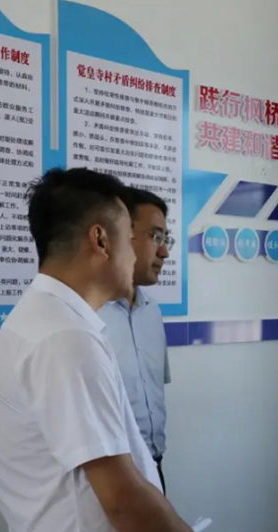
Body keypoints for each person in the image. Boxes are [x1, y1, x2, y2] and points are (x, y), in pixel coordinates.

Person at [0, 168, 198, 532]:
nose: (143, 252)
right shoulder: (64, 337)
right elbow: (120, 498)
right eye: (131, 235)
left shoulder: (56, 322)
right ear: (101, 240)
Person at [98, 187, 172, 493]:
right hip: (111, 477)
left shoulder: (152, 311)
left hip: (154, 465)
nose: (164, 252)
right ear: (120, 234)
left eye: (166, 239)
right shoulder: (87, 316)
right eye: (155, 237)